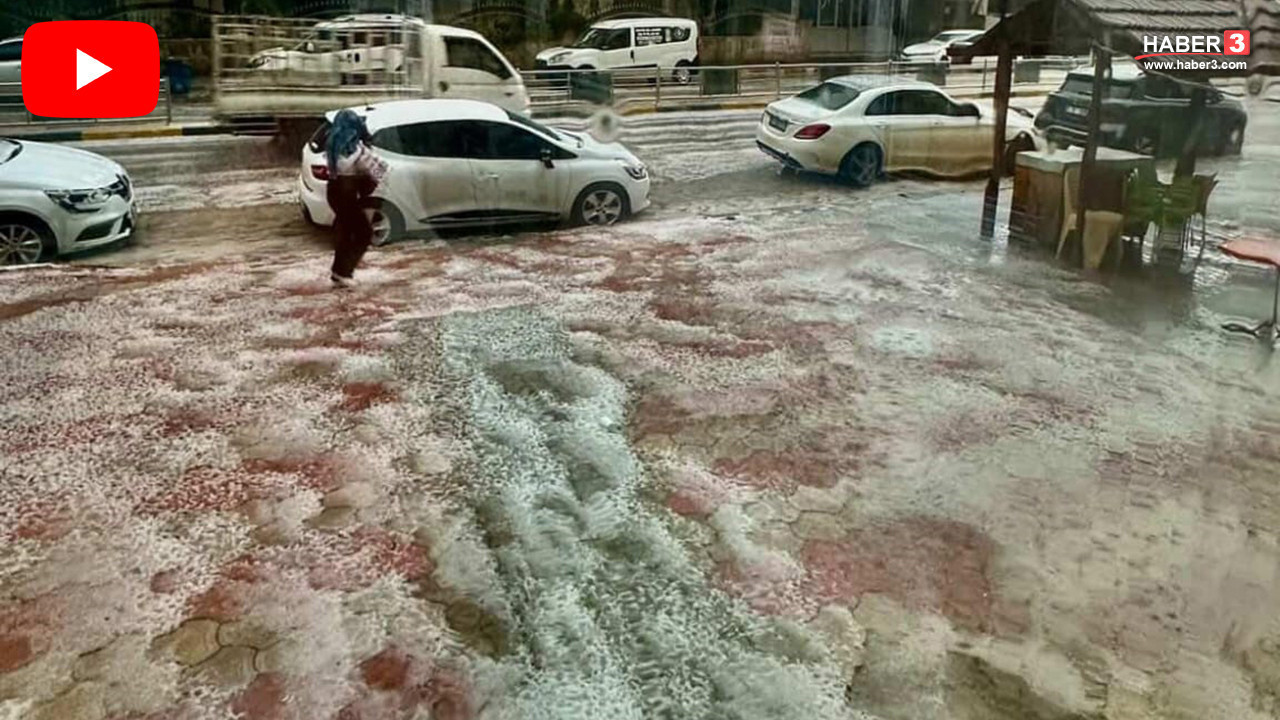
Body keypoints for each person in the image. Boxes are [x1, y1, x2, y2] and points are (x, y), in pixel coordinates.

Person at [325, 109, 385, 287]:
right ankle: (344, 273)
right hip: (345, 193)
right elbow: (374, 170)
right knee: (363, 233)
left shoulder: (335, 142)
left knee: (346, 232)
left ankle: (339, 272)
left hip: (337, 192)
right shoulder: (350, 148)